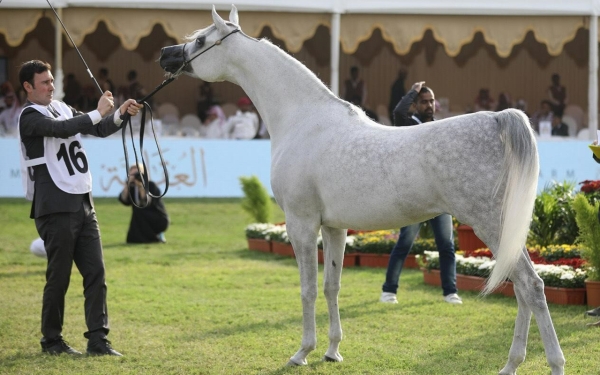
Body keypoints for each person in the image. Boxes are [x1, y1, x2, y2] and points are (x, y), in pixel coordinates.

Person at [18, 60, 143, 356]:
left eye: (51, 80)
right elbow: (62, 130)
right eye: (45, 82)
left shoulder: (61, 106)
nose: (51, 86)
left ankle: (98, 340)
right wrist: (99, 111)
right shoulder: (28, 117)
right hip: (54, 204)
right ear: (28, 86)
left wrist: (119, 115)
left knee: (96, 273)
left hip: (83, 199)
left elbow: (97, 129)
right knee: (58, 277)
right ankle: (52, 340)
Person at [381, 81, 461, 305]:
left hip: (439, 198)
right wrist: (414, 90)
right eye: (424, 102)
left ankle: (450, 292)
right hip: (415, 197)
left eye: (432, 101)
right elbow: (397, 110)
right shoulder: (407, 124)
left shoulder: (440, 128)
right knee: (404, 243)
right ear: (415, 105)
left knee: (446, 246)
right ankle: (389, 291)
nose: (429, 105)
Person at [118, 164, 170, 243]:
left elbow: (146, 203)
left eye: (138, 174)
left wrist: (141, 186)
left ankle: (157, 237)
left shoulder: (151, 186)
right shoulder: (132, 188)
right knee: (137, 212)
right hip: (141, 220)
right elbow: (124, 200)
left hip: (157, 218)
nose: (136, 176)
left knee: (139, 211)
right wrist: (127, 184)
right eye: (133, 174)